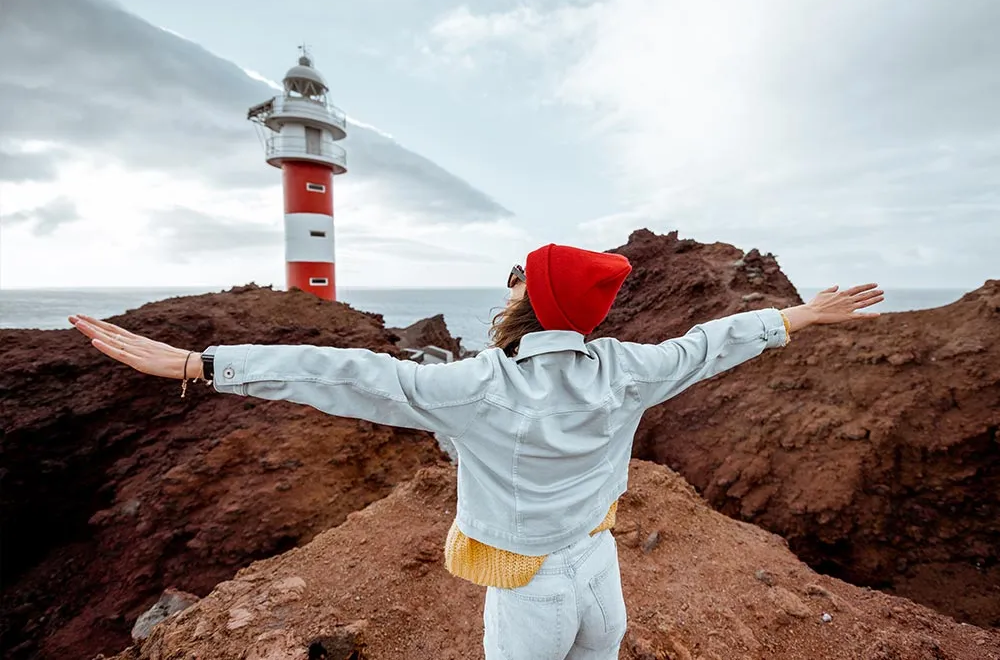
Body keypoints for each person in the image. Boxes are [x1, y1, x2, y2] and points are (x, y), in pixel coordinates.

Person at [70, 243, 883, 659]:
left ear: (529, 304)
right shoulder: (632, 369)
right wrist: (803, 315)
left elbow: (344, 373)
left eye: (516, 284)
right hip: (598, 565)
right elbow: (713, 343)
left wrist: (197, 363)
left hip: (525, 585)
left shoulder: (476, 388)